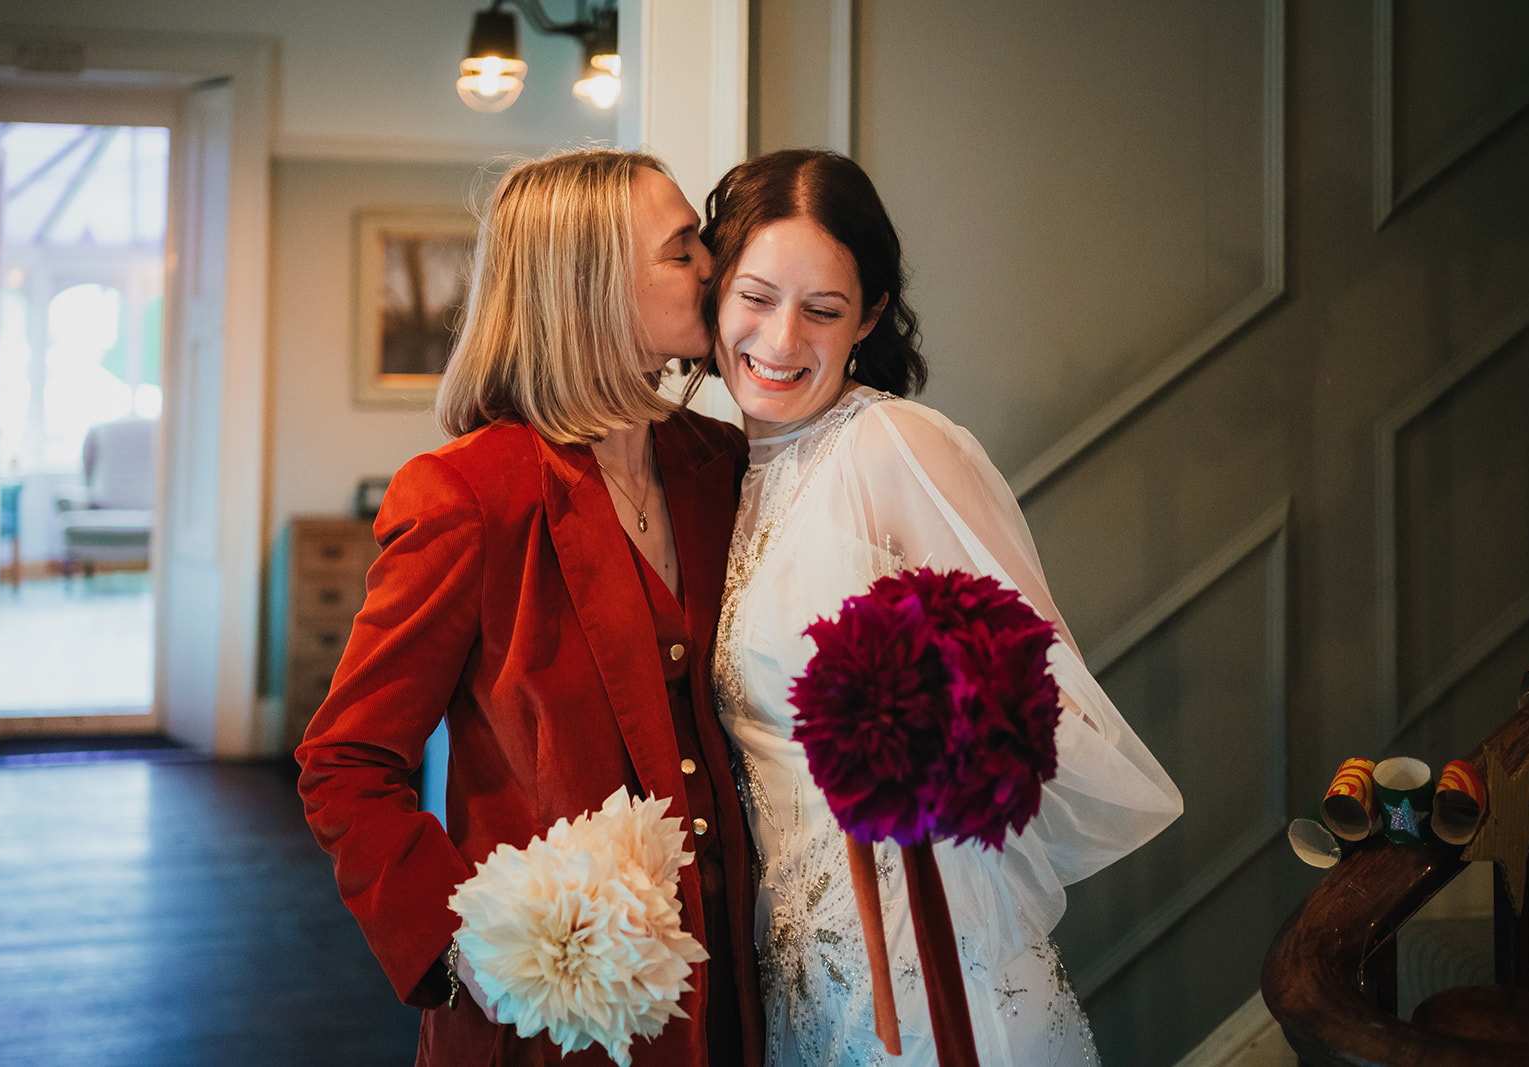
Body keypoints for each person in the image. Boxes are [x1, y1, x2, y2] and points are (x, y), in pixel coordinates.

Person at [695, 149, 1183, 1067]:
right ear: (715, 291)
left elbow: (1050, 702)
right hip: (788, 963)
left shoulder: (895, 445)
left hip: (921, 958)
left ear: (870, 316)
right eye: (756, 297)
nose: (782, 337)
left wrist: (927, 725)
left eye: (824, 309)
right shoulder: (717, 475)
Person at [296, 149, 764, 1067]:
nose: (714, 266)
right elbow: (344, 760)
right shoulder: (468, 495)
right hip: (552, 1028)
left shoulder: (723, 465)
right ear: (592, 287)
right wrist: (464, 946)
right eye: (682, 250)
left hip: (732, 1002)